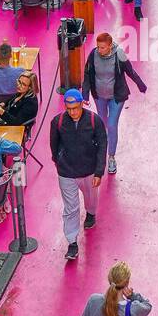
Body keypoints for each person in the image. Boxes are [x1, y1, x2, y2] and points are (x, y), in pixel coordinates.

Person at [50, 88, 108, 261]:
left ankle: (91, 213)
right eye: (69, 109)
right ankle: (72, 242)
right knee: (71, 209)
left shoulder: (94, 120)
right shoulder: (57, 122)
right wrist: (59, 161)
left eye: (75, 108)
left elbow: (102, 146)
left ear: (82, 104)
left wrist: (99, 171)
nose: (72, 112)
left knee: (91, 198)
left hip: (89, 171)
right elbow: (54, 145)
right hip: (66, 172)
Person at [82, 31, 147, 175]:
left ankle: (111, 157)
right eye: (98, 47)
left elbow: (130, 71)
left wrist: (140, 84)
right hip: (99, 95)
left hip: (117, 96)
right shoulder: (93, 55)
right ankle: (101, 149)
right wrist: (85, 94)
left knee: (111, 125)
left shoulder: (119, 54)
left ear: (110, 46)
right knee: (102, 124)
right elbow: (87, 74)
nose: (100, 50)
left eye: (103, 47)